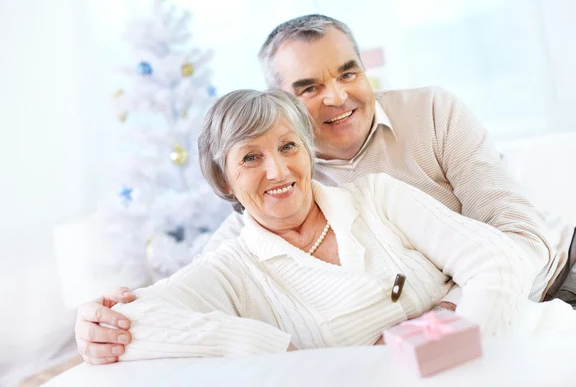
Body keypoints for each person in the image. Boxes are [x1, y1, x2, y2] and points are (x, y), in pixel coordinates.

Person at [76, 14, 576, 364]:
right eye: (308, 87)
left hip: (565, 258)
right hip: (504, 311)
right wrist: (98, 326)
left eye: (349, 73)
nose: (338, 96)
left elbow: (518, 237)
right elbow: (208, 281)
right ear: (278, 104)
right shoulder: (279, 195)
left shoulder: (431, 112)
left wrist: (444, 318)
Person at [92, 89, 535, 361]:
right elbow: (133, 324)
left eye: (289, 146)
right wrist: (279, 351)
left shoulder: (378, 196)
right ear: (223, 178)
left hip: (499, 358)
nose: (279, 170)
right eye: (251, 157)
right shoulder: (230, 267)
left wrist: (456, 347)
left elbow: (499, 261)